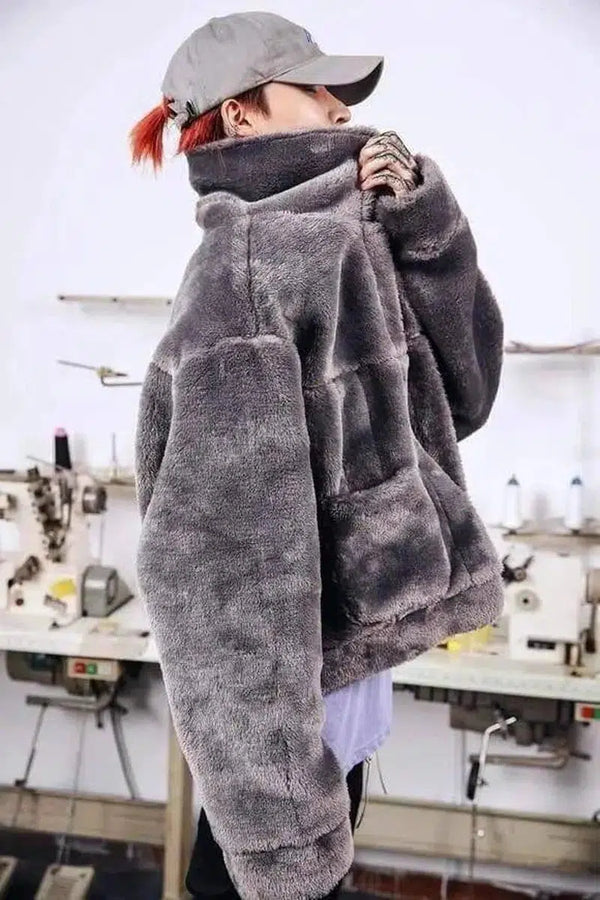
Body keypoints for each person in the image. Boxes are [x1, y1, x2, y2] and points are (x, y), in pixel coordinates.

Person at [130, 11, 505, 900]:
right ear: (240, 115)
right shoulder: (245, 278)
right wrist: (283, 837)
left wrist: (426, 231)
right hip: (286, 761)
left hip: (335, 715)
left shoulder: (339, 247)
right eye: (313, 89)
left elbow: (465, 398)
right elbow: (222, 586)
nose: (340, 110)